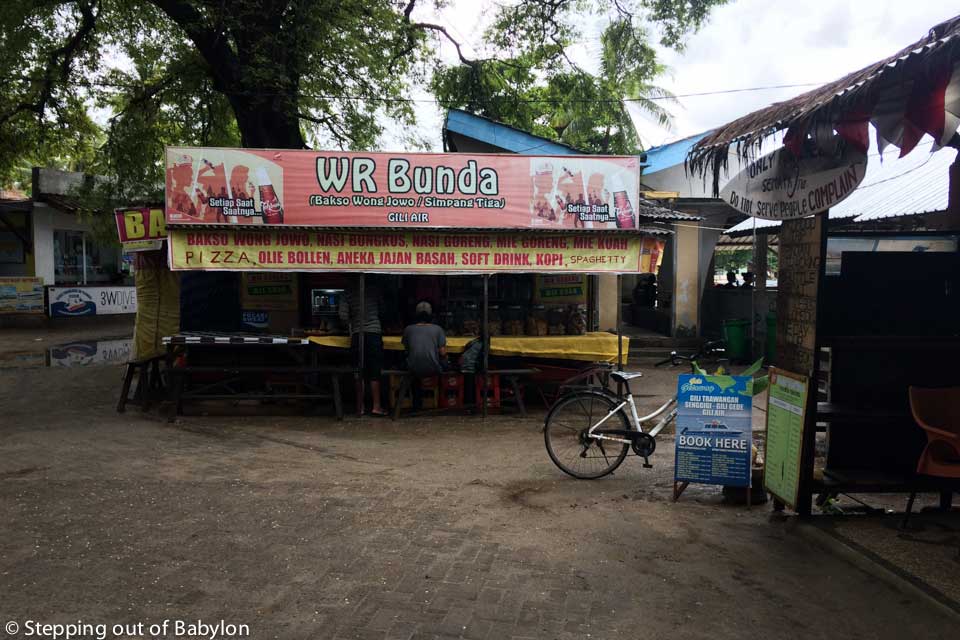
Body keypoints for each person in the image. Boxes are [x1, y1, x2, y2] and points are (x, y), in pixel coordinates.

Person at [339, 277, 386, 416]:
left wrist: (351, 323)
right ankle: (376, 406)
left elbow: (342, 316)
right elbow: (383, 310)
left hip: (357, 334)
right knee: (374, 371)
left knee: (358, 371)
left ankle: (360, 407)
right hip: (374, 333)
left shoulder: (347, 293)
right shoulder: (375, 290)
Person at [402, 301, 447, 377]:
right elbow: (442, 353)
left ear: (416, 314)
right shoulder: (438, 329)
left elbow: (407, 351)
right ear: (431, 315)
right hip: (434, 369)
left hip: (412, 369)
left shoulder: (408, 329)